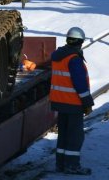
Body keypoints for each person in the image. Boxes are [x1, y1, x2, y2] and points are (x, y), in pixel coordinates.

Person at [50, 27, 94, 175]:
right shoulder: (74, 59)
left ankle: (61, 164)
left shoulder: (58, 56)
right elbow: (80, 84)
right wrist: (87, 103)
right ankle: (72, 166)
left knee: (63, 134)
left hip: (60, 102)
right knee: (75, 136)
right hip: (73, 103)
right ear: (80, 42)